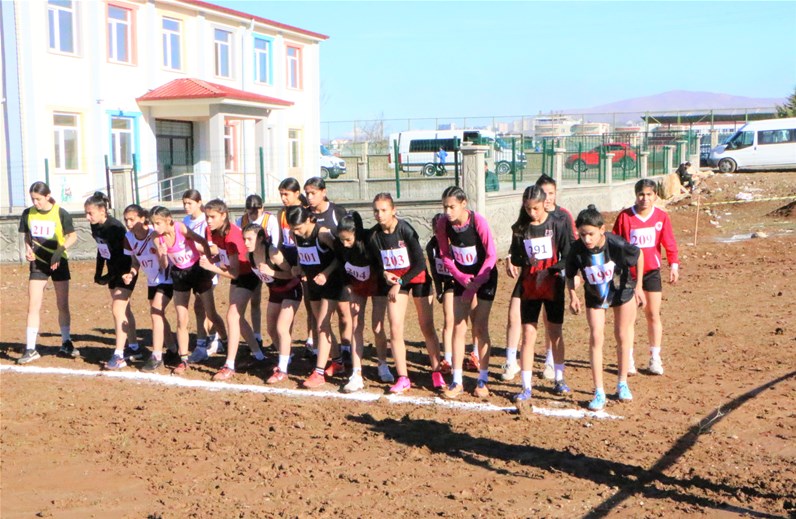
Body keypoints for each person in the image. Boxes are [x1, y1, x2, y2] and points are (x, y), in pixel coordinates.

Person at [566, 205, 646, 411]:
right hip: (595, 295)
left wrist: (638, 287)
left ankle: (622, 383)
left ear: (602, 230)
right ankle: (599, 391)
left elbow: (638, 255)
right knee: (596, 337)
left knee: (622, 335)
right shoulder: (576, 249)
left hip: (622, 291)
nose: (587, 239)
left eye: (591, 234)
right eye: (582, 235)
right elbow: (569, 273)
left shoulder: (616, 243)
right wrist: (572, 295)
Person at [368, 193, 445, 393]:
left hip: (417, 278)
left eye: (384, 210)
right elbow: (376, 264)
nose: (379, 214)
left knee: (426, 326)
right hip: (395, 282)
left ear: (393, 211)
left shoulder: (405, 230)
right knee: (395, 328)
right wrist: (385, 273)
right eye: (376, 210)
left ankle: (437, 372)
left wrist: (400, 281)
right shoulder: (374, 236)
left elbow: (420, 263)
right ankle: (403, 377)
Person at [508, 186, 572, 402]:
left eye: (535, 208)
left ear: (545, 203)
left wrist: (555, 270)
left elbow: (568, 253)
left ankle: (559, 378)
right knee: (528, 335)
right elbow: (516, 257)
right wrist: (526, 260)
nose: (532, 213)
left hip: (552, 284)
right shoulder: (520, 228)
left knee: (555, 332)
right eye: (527, 209)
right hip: (530, 285)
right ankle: (526, 386)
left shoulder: (558, 222)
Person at [435, 186, 497, 399]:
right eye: (445, 207)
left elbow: (491, 256)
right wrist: (461, 278)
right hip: (463, 277)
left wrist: (476, 282)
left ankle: (482, 379)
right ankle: (457, 380)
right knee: (458, 325)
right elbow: (444, 255)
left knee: (479, 326)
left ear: (464, 204)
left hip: (484, 277)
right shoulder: (443, 224)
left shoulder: (478, 221)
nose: (448, 212)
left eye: (452, 207)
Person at [612, 178, 679, 376]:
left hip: (651, 273)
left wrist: (673, 265)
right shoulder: (625, 217)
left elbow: (669, 242)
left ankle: (655, 357)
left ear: (655, 196)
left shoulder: (661, 217)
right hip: (629, 275)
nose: (645, 199)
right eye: (641, 194)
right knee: (629, 318)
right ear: (636, 195)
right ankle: (628, 358)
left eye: (649, 194)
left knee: (652, 314)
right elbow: (615, 242)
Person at [150, 205, 227, 375]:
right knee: (181, 318)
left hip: (197, 271)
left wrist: (209, 260)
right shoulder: (157, 238)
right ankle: (183, 359)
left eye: (158, 223)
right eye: (153, 224)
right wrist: (162, 254)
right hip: (179, 275)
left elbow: (202, 241)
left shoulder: (180, 228)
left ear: (168, 220)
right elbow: (164, 266)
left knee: (210, 313)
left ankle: (227, 342)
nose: (155, 228)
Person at [200, 199, 265, 382]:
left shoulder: (233, 237)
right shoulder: (211, 230)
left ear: (224, 215)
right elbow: (216, 251)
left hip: (248, 274)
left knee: (232, 316)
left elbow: (235, 273)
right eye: (207, 217)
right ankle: (258, 354)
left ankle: (229, 364)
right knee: (237, 316)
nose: (209, 220)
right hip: (236, 273)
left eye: (212, 217)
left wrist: (211, 267)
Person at [18, 181, 78, 364]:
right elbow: (28, 237)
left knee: (62, 304)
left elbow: (72, 236)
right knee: (33, 305)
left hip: (58, 262)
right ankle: (30, 348)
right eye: (33, 199)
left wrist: (59, 253)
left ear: (47, 195)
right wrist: (28, 249)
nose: (36, 203)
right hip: (39, 263)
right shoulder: (28, 213)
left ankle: (66, 341)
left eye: (38, 199)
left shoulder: (60, 213)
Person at [287, 205, 344, 389]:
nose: (296, 232)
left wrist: (326, 273)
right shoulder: (297, 235)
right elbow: (300, 254)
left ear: (309, 220)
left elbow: (340, 256)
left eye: (299, 227)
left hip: (331, 283)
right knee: (321, 324)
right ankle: (338, 362)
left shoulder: (322, 234)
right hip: (313, 284)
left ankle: (319, 372)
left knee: (323, 325)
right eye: (293, 229)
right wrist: (298, 267)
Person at [84, 192, 141, 370]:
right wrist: (99, 273)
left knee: (117, 309)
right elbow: (102, 250)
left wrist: (112, 275)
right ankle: (134, 347)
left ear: (102, 211)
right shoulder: (96, 227)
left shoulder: (115, 228)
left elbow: (123, 257)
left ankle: (119, 355)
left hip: (125, 271)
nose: (87, 217)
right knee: (125, 310)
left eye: (90, 213)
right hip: (113, 271)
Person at [243, 223, 302, 385]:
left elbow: (291, 273)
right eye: (244, 239)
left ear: (261, 238)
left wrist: (272, 272)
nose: (246, 243)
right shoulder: (250, 257)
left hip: (291, 289)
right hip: (275, 292)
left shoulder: (273, 252)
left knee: (281, 327)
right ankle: (287, 356)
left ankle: (282, 369)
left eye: (250, 239)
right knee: (270, 329)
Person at [533, 174, 578, 381]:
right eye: (544, 193)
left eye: (551, 193)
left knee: (553, 321)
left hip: (557, 273)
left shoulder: (563, 216)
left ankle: (551, 360)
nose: (548, 198)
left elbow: (571, 246)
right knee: (540, 317)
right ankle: (547, 357)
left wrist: (572, 273)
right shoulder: (531, 214)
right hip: (535, 276)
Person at [304, 176, 352, 372]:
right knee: (321, 319)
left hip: (338, 272)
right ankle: (336, 357)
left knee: (344, 313)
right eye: (307, 193)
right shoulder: (306, 216)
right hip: (317, 277)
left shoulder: (337, 212)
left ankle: (347, 349)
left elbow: (347, 242)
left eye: (313, 193)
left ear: (323, 192)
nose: (309, 197)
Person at [120, 204, 175, 372]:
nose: (128, 223)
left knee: (156, 312)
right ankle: (173, 349)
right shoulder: (129, 238)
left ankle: (157, 355)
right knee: (158, 314)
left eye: (132, 219)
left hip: (166, 278)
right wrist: (131, 272)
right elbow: (135, 261)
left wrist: (161, 252)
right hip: (152, 280)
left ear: (143, 218)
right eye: (126, 220)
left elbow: (165, 260)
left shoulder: (154, 233)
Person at [336, 212, 378, 393]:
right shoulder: (341, 246)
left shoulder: (370, 242)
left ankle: (383, 364)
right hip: (357, 286)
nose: (344, 244)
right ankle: (356, 372)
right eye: (342, 240)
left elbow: (380, 264)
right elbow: (341, 267)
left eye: (348, 240)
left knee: (378, 327)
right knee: (355, 325)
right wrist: (347, 286)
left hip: (377, 285)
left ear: (357, 233)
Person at [276, 178, 314, 358]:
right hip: (288, 261)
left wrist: (302, 264)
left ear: (297, 194)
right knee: (287, 300)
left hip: (305, 258)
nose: (283, 198)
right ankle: (287, 341)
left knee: (310, 303)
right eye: (281, 194)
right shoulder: (281, 213)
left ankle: (312, 339)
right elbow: (282, 241)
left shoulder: (306, 213)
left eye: (286, 194)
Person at [236, 194, 279, 350]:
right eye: (250, 211)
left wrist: (269, 263)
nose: (253, 214)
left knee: (277, 298)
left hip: (268, 262)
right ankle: (257, 335)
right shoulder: (241, 221)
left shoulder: (270, 220)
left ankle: (277, 338)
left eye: (256, 210)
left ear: (262, 208)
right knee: (255, 299)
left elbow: (275, 241)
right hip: (252, 263)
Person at [182, 190, 219, 360]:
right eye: (184, 203)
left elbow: (212, 249)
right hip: (191, 267)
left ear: (199, 202)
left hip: (207, 267)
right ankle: (209, 340)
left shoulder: (206, 221)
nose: (186, 206)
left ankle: (210, 340)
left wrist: (190, 245)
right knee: (201, 307)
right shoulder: (186, 221)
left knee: (203, 306)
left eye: (190, 203)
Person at [425, 213, 453, 375]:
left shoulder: (456, 241)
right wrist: (439, 290)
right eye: (436, 231)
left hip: (467, 283)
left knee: (474, 317)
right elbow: (435, 272)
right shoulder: (432, 247)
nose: (439, 234)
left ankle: (475, 355)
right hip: (449, 284)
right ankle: (448, 359)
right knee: (448, 319)